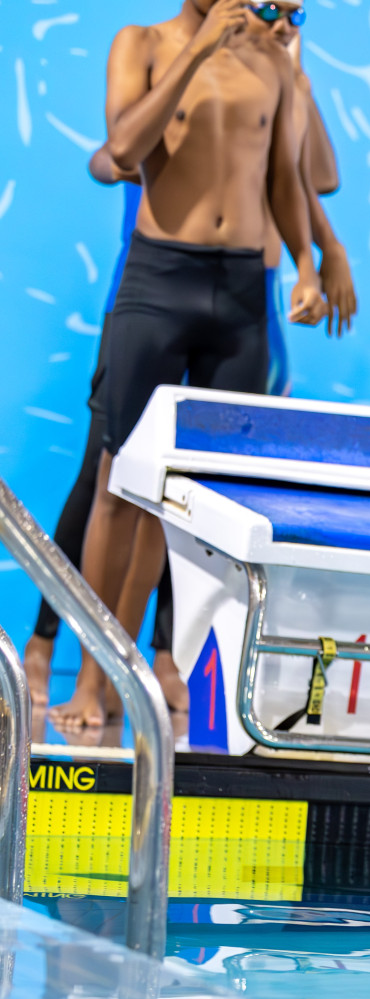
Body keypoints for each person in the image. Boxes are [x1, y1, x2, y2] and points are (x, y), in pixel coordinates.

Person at [27, 4, 353, 721]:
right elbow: (122, 146)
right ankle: (88, 678)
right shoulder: (141, 43)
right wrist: (202, 48)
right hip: (158, 279)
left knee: (179, 502)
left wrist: (306, 262)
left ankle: (143, 663)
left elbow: (288, 182)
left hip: (240, 292)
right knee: (114, 485)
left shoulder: (271, 61)